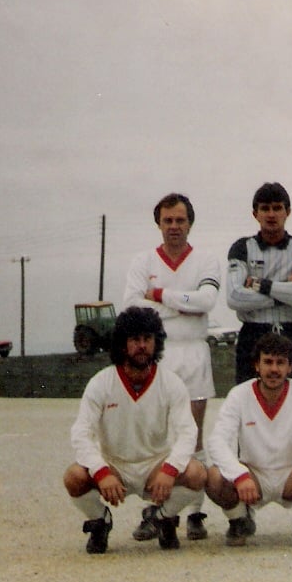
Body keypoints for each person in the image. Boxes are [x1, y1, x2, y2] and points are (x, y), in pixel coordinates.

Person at [63, 306, 207, 554]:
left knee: (197, 473)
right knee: (73, 477)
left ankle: (163, 517)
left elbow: (187, 433)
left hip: (155, 466)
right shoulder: (101, 382)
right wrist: (101, 472)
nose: (142, 346)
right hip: (114, 466)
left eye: (147, 339)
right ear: (122, 344)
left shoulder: (171, 382)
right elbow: (81, 433)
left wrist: (170, 470)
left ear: (156, 342)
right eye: (135, 339)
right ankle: (100, 521)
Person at [123, 192, 221, 542]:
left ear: (190, 223)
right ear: (159, 224)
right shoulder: (142, 261)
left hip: (194, 353)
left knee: (192, 434)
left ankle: (195, 513)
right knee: (159, 436)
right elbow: (131, 306)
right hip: (159, 356)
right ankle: (157, 511)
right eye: (168, 220)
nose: (174, 226)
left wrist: (160, 295)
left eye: (180, 220)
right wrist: (183, 305)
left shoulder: (205, 260)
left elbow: (207, 300)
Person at [204, 333, 292, 548]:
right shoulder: (239, 395)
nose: (274, 369)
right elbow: (217, 441)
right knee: (213, 476)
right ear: (256, 365)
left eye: (280, 363)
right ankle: (239, 519)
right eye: (267, 362)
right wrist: (239, 475)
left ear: (290, 367)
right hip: (253, 475)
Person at [227, 182, 292, 388]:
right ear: (255, 214)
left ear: (288, 212)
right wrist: (285, 291)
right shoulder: (242, 247)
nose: (271, 214)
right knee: (248, 397)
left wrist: (261, 285)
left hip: (291, 332)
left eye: (277, 208)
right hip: (253, 334)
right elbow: (234, 297)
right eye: (265, 208)